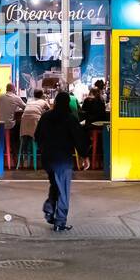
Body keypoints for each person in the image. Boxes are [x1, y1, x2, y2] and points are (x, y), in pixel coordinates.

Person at [35, 92, 91, 232]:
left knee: (55, 184)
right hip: (62, 160)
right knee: (63, 190)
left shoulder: (45, 116)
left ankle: (49, 209)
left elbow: (37, 136)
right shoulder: (70, 119)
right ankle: (60, 221)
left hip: (48, 158)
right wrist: (84, 156)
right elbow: (79, 138)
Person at [0, 83, 26, 169]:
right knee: (18, 125)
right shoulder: (16, 98)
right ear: (13, 89)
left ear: (6, 89)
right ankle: (16, 153)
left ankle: (5, 151)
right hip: (10, 125)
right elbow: (25, 107)